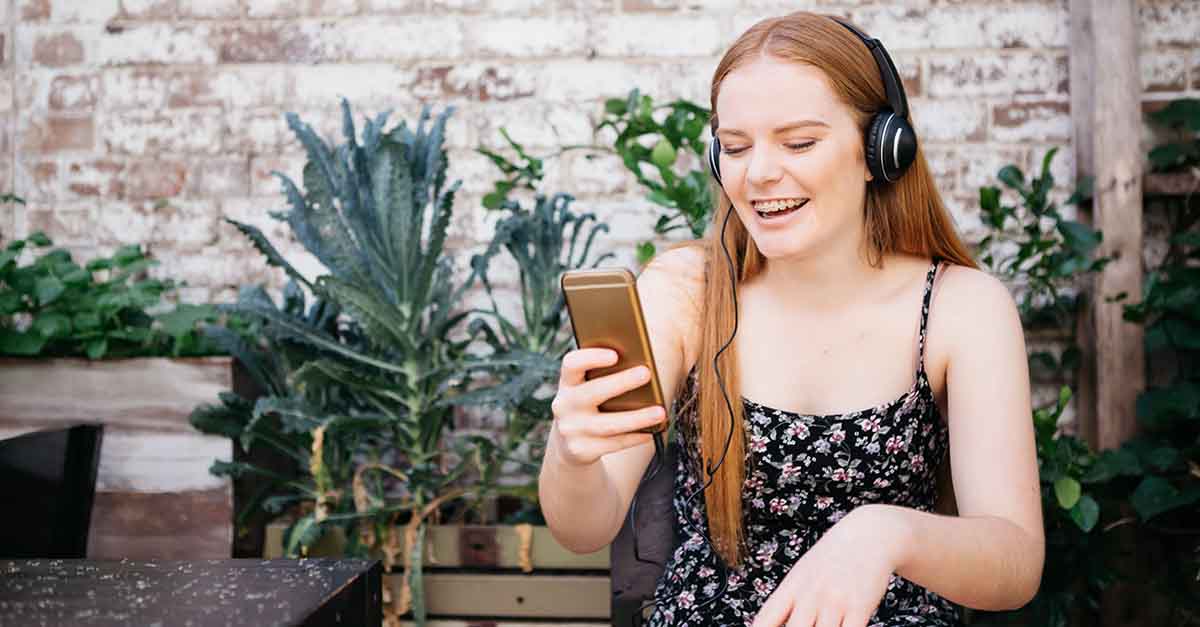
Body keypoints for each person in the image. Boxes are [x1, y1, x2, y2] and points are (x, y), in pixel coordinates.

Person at [539, 11, 1044, 627]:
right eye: (734, 147)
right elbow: (583, 528)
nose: (758, 174)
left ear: (880, 151)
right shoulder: (687, 293)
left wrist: (885, 535)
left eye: (799, 142)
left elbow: (1015, 564)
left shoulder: (961, 308)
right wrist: (572, 456)